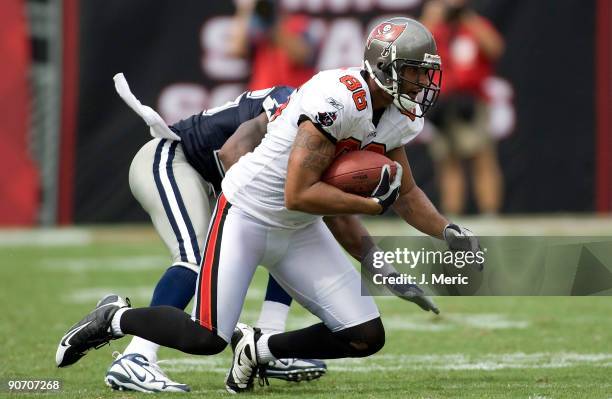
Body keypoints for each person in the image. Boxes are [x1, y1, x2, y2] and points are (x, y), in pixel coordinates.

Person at [56, 18, 476, 393]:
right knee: (206, 338)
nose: (423, 82)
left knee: (365, 334)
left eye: (425, 72)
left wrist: (447, 231)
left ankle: (261, 348)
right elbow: (298, 192)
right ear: (385, 69)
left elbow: (406, 192)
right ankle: (114, 318)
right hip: (249, 214)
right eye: (415, 72)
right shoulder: (338, 98)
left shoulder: (398, 117)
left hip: (298, 229)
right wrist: (368, 206)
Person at [101, 76, 325, 392]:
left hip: (209, 178)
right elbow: (231, 153)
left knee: (291, 227)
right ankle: (135, 357)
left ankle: (266, 338)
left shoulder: (322, 123)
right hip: (172, 159)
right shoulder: (289, 106)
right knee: (193, 257)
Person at [421, 0, 505, 215]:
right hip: (441, 101)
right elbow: (415, 50)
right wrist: (432, 18)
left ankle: (490, 214)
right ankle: (452, 216)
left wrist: (468, 18)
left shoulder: (473, 24)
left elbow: (495, 48)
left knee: (481, 158)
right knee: (447, 162)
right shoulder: (435, 28)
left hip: (471, 100)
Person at [229, 0, 317, 90]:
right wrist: (245, 9)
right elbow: (235, 49)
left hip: (291, 98)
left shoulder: (297, 24)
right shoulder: (257, 29)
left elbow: (303, 55)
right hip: (263, 99)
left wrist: (272, 27)